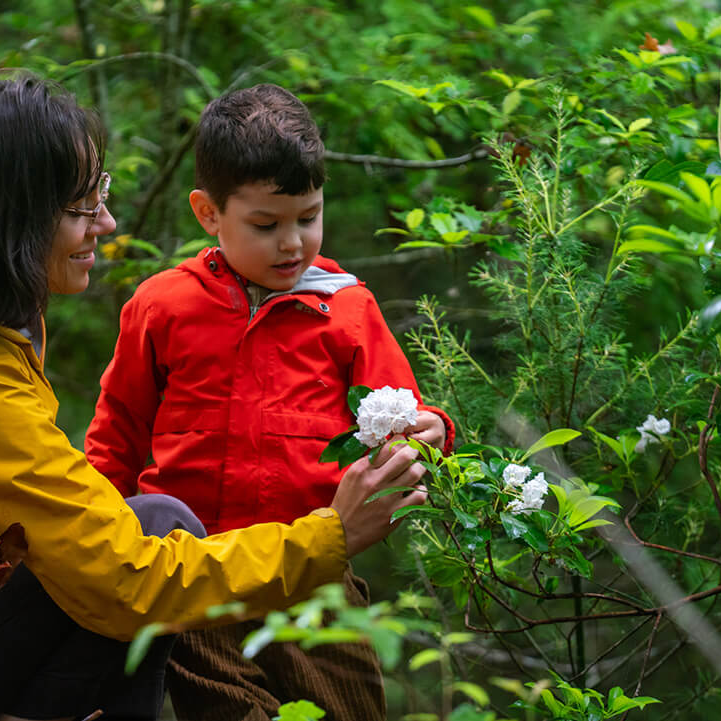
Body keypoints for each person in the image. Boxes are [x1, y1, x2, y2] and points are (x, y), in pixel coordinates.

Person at [0, 73, 427, 721]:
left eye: (103, 195)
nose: (108, 222)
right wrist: (330, 537)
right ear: (5, 217)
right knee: (153, 529)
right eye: (80, 207)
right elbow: (125, 577)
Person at [84, 84, 454, 721]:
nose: (293, 243)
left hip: (316, 581)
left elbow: (402, 414)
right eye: (266, 224)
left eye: (308, 218)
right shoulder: (163, 306)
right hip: (195, 574)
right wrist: (95, 545)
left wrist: (432, 433)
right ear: (209, 213)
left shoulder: (346, 307)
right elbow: (116, 438)